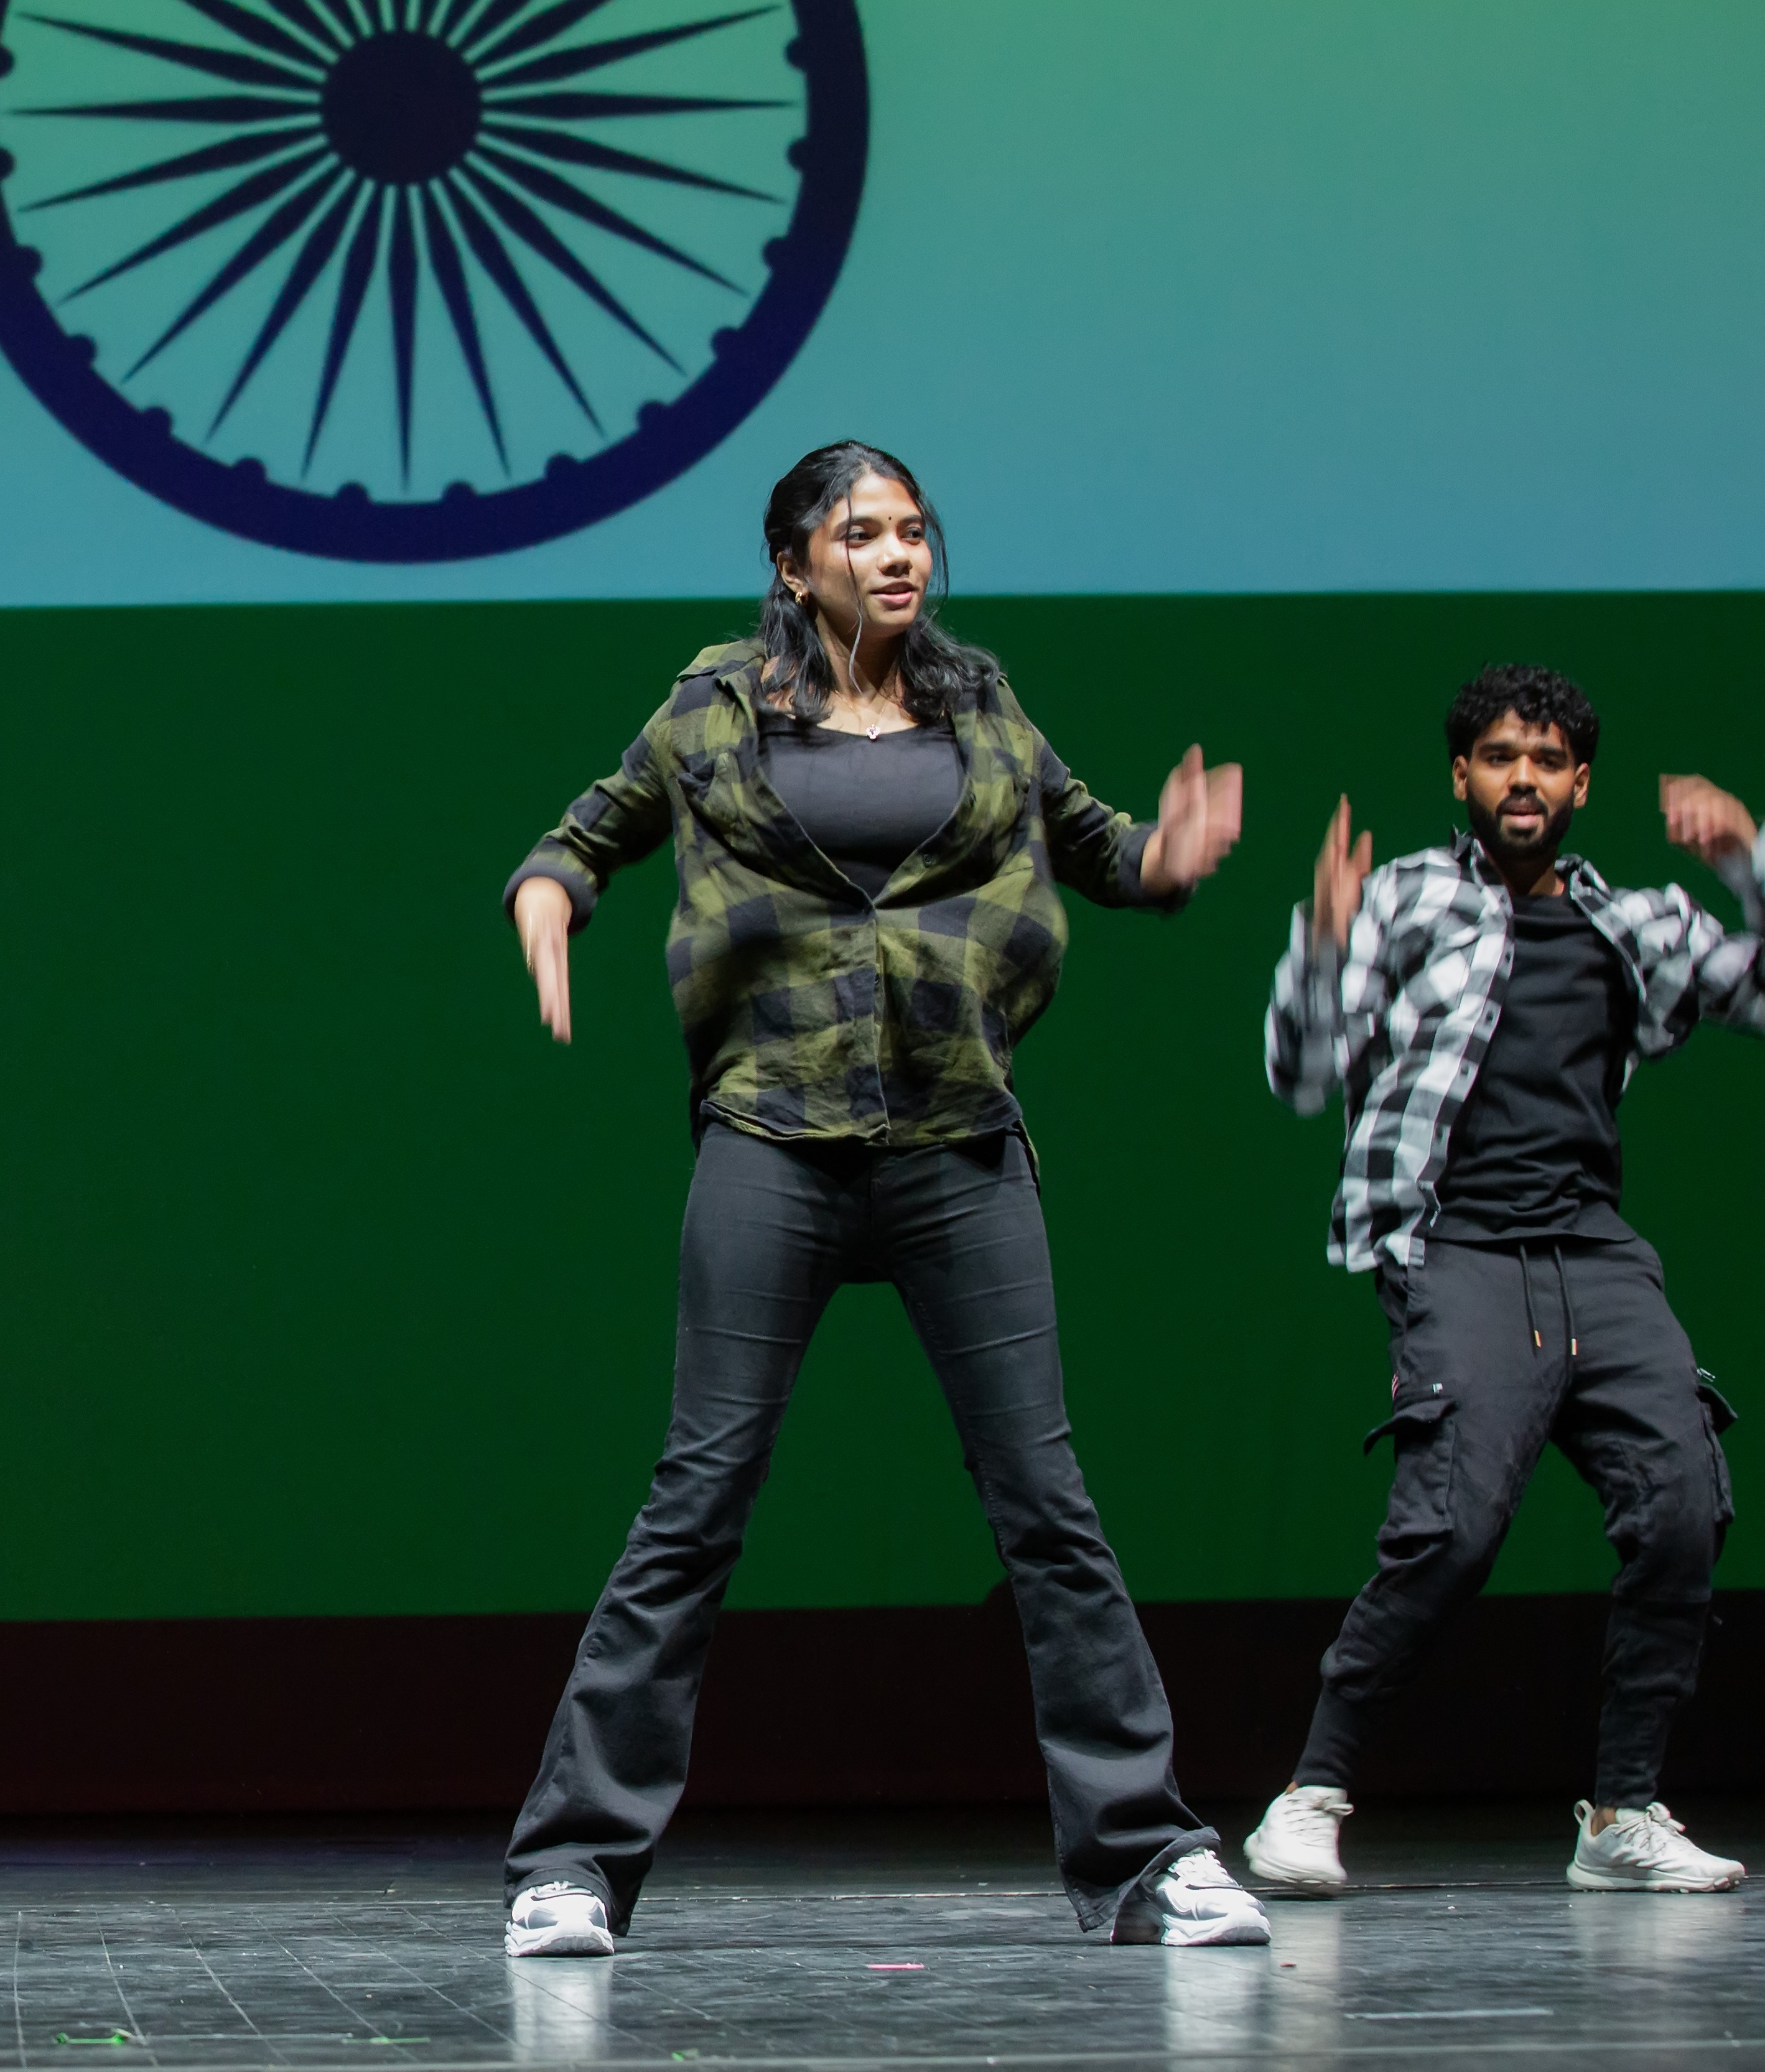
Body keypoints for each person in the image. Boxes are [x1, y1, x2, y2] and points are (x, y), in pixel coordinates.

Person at [493, 442, 1270, 1956]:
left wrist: (1168, 857)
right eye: (860, 534)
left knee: (1044, 1503)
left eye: (912, 529)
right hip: (771, 1130)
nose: (897, 554)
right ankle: (569, 1864)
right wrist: (545, 905)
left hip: (953, 1136)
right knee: (695, 1498)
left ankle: (1146, 1854)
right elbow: (579, 837)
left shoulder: (977, 701)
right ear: (794, 567)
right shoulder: (716, 703)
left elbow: (1100, 846)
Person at [1244, 665, 1763, 1897]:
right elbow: (1300, 1071)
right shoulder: (1405, 898)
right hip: (1457, 1246)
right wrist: (1319, 944)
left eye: (1544, 761)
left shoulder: (1635, 923)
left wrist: (1747, 858)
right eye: (1496, 757)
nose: (1519, 779)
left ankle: (1621, 1814)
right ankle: (1305, 1798)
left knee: (1680, 1510)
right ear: (1460, 777)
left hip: (1593, 1251)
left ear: (1578, 784)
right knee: (1453, 1529)